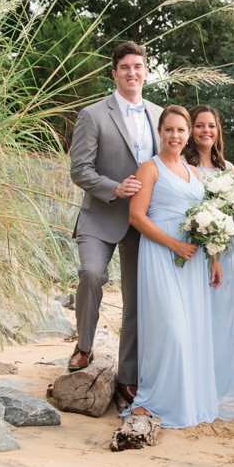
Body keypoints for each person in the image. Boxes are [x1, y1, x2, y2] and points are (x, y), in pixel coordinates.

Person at [68, 42, 163, 403]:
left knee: (136, 298)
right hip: (100, 214)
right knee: (91, 273)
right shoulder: (93, 115)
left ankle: (128, 374)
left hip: (143, 222)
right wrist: (114, 187)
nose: (132, 73)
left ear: (146, 72)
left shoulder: (160, 114)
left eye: (138, 67)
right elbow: (79, 169)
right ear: (114, 73)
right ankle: (84, 346)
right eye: (125, 67)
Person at [125, 105, 223, 428]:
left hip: (191, 262)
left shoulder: (194, 172)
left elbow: (203, 221)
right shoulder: (149, 169)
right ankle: (157, 399)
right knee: (171, 330)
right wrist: (173, 244)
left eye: (181, 130)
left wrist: (213, 259)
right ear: (160, 132)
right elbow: (136, 217)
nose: (176, 136)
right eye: (169, 130)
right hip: (159, 255)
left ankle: (188, 402)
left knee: (192, 330)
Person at [183, 104, 234, 421]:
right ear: (191, 129)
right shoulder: (185, 165)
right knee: (198, 317)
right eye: (199, 126)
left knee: (225, 320)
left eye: (211, 126)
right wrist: (211, 251)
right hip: (199, 250)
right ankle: (196, 387)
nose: (206, 131)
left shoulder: (229, 168)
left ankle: (221, 388)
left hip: (228, 249)